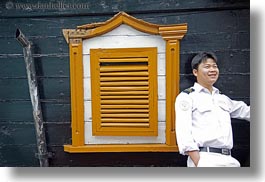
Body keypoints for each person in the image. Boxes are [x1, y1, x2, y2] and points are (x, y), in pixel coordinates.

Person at [175, 52, 250, 167]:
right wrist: (198, 161)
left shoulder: (222, 99)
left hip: (229, 160)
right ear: (195, 72)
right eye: (207, 66)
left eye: (214, 66)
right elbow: (183, 132)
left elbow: (246, 112)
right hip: (206, 159)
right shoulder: (187, 97)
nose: (212, 69)